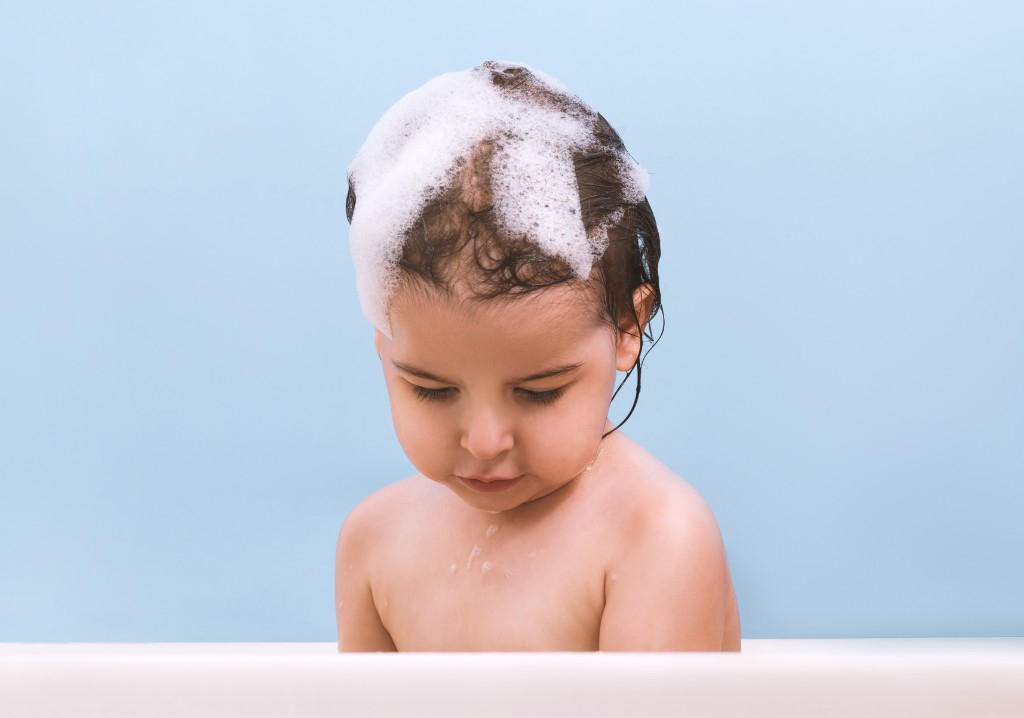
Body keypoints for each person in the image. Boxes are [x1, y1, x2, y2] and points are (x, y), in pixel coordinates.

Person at [336, 61, 740, 651]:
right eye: (432, 389)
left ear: (627, 327)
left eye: (538, 392)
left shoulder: (653, 537)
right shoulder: (375, 541)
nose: (485, 441)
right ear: (382, 343)